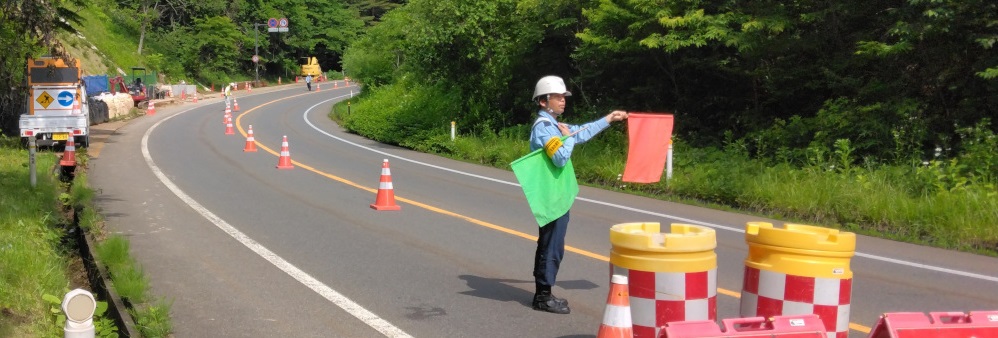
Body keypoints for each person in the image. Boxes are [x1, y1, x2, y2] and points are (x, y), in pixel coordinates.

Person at [528, 75, 628, 314]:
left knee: (553, 243)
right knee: (550, 244)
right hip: (550, 196)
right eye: (558, 97)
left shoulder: (553, 125)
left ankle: (545, 293)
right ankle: (542, 296)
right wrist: (568, 138)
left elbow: (581, 132)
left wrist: (608, 119)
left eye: (564, 97)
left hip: (557, 194)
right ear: (543, 101)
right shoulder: (543, 128)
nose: (563, 101)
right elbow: (560, 157)